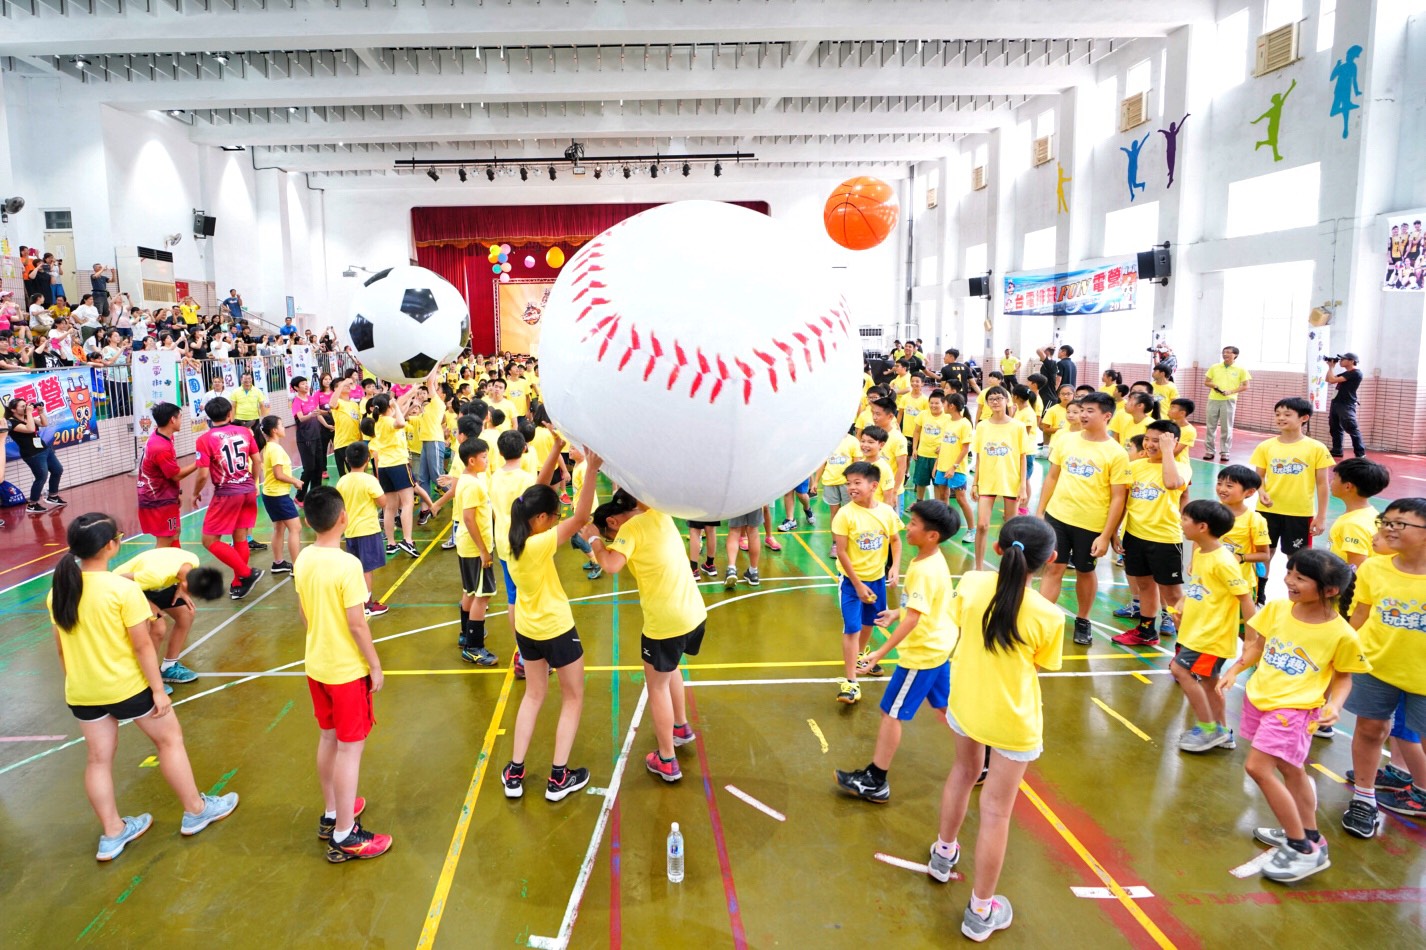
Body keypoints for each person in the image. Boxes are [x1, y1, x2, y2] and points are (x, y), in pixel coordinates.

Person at [49, 513, 239, 862]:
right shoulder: (122, 590)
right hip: (127, 687)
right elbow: (141, 646)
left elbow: (61, 649)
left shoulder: (60, 591)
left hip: (82, 692)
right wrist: (156, 690)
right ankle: (196, 810)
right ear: (111, 545)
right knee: (169, 740)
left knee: (97, 760)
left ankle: (113, 833)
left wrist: (75, 684)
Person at [928, 516, 1062, 941]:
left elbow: (958, 622)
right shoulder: (1048, 615)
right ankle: (980, 910)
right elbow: (1040, 664)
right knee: (997, 812)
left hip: (966, 702)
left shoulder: (969, 583)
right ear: (1050, 561)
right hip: (1013, 721)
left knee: (962, 774)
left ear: (1000, 550)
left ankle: (942, 855)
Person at [1216, 550, 1368, 882]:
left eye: (1300, 577)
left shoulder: (1342, 634)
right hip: (1261, 697)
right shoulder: (1279, 608)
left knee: (1257, 767)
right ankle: (1311, 835)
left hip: (1294, 710)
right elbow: (1258, 644)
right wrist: (1236, 669)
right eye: (1290, 572)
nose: (1289, 580)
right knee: (1290, 768)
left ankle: (1302, 848)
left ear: (1328, 590)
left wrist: (1335, 706)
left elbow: (1344, 677)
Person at [835, 500, 960, 802]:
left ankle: (876, 780)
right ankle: (982, 759)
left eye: (915, 523)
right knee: (946, 708)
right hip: (940, 646)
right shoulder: (930, 560)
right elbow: (919, 608)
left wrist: (880, 653)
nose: (908, 526)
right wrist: (896, 612)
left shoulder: (923, 570)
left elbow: (916, 619)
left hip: (922, 654)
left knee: (890, 713)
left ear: (933, 535)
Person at [294, 487, 392, 862]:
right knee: (351, 748)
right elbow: (357, 624)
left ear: (308, 521)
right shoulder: (348, 565)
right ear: (343, 518)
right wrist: (375, 665)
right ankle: (345, 835)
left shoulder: (303, 557)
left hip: (316, 664)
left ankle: (333, 811)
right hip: (345, 670)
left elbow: (304, 614)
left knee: (328, 738)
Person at [587, 481, 709, 783]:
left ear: (613, 522)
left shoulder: (630, 529)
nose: (612, 540)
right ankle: (680, 727)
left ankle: (667, 759)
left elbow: (612, 565)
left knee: (656, 686)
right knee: (672, 669)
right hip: (693, 614)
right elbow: (642, 488)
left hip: (665, 624)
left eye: (609, 534)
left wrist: (594, 541)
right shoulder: (659, 513)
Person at [499, 471, 600, 803]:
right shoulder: (539, 544)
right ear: (540, 518)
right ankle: (559, 777)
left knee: (533, 696)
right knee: (572, 698)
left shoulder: (509, 539)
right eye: (554, 516)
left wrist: (556, 448)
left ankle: (514, 771)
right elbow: (582, 517)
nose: (558, 520)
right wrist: (593, 469)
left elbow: (537, 494)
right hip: (556, 629)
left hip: (527, 630)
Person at [1342, 497, 1426, 836]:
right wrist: (1340, 653)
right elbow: (1359, 616)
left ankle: (1421, 793)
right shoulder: (1373, 568)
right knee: (1370, 730)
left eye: (1399, 523)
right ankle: (1364, 798)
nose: (1388, 529)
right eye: (1385, 522)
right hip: (1375, 666)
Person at [1035, 392, 1132, 645]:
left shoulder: (1116, 453)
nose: (1084, 415)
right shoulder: (1066, 440)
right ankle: (1043, 618)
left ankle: (1083, 619)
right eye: (1082, 409)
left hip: (1090, 524)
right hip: (1058, 516)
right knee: (1053, 567)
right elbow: (1052, 477)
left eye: (1091, 411)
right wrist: (1040, 512)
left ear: (1107, 416)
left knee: (1085, 571)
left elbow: (1119, 498)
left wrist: (1107, 534)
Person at [1171, 500, 1256, 752]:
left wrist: (1251, 638)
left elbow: (1245, 597)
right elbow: (1198, 584)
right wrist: (1182, 604)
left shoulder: (1224, 561)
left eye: (1185, 519)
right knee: (1209, 682)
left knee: (1180, 670)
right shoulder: (1200, 552)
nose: (1181, 522)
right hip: (1196, 630)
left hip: (1211, 635)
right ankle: (1222, 731)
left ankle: (1208, 728)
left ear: (1203, 527)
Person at [1111, 422, 1190, 647]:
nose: (1149, 444)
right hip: (1135, 536)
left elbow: (1172, 483)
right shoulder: (1136, 466)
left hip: (1165, 539)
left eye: (1157, 440)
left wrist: (1167, 451)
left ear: (1173, 442)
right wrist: (1115, 532)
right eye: (1147, 439)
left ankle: (1184, 645)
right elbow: (1124, 502)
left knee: (1172, 594)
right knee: (1144, 586)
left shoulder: (1181, 466)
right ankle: (1146, 631)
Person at [831, 461, 902, 705]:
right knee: (852, 627)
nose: (851, 487)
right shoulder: (845, 514)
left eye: (856, 482)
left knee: (870, 621)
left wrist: (894, 567)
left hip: (878, 579)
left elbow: (895, 540)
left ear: (873, 486)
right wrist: (858, 584)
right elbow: (841, 552)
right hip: (852, 583)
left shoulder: (886, 512)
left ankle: (861, 655)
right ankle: (850, 683)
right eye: (848, 483)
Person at [1251, 397, 1334, 592]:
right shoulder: (1266, 446)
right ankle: (1259, 593)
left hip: (1299, 513)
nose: (1281, 418)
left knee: (1298, 558)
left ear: (1304, 418)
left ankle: (1299, 593)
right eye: (1278, 414)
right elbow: (1258, 478)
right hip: (1267, 511)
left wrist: (1321, 517)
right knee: (1264, 553)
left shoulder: (1316, 448)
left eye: (1287, 414)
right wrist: (1261, 491)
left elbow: (1322, 484)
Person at [113, 546, 225, 687]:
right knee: (158, 626)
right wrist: (147, 604)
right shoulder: (155, 576)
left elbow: (177, 575)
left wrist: (181, 590)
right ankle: (146, 677)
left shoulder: (192, 561)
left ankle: (169, 667)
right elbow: (116, 579)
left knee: (187, 613)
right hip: (127, 587)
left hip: (155, 585)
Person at [191, 397, 265, 600]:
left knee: (209, 540)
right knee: (239, 537)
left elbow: (203, 474)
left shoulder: (205, 439)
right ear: (230, 413)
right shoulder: (245, 432)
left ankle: (247, 574)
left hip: (227, 493)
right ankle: (238, 582)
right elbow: (257, 460)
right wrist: (255, 482)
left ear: (209, 417)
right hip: (248, 489)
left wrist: (195, 492)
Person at [968, 387, 1030, 567]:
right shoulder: (982, 426)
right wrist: (975, 483)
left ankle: (1007, 566)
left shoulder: (1017, 427)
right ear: (987, 403)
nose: (995, 402)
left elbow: (1022, 457)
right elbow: (979, 456)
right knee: (982, 525)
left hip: (1011, 482)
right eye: (992, 399)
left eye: (999, 398)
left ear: (1007, 400)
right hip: (987, 481)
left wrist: (1023, 487)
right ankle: (978, 567)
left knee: (1010, 529)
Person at [453, 437, 499, 666]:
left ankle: (466, 634)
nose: (487, 460)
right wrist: (483, 550)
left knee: (470, 591)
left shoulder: (469, 478)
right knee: (483, 596)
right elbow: (470, 518)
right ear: (471, 460)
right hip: (474, 548)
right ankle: (474, 647)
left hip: (466, 545)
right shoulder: (472, 484)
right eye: (483, 457)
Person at [334, 441, 389, 617]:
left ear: (347, 460)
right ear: (367, 460)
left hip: (350, 531)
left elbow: (339, 504)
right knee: (366, 569)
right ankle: (367, 603)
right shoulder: (369, 480)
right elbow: (383, 502)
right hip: (368, 530)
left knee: (356, 568)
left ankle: (355, 600)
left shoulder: (342, 481)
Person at [137, 403, 197, 547]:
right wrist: (199, 463)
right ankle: (162, 568)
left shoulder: (164, 436)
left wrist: (175, 494)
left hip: (163, 495)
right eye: (180, 417)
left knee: (175, 531)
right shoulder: (160, 447)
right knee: (165, 539)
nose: (182, 420)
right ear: (172, 420)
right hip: (157, 499)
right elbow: (175, 475)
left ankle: (177, 566)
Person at [256, 415, 303, 574]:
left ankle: (278, 563)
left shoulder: (269, 446)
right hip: (278, 496)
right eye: (281, 425)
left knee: (279, 528)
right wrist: (295, 481)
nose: (284, 428)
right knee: (295, 528)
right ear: (275, 430)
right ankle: (297, 567)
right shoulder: (275, 449)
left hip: (270, 494)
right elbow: (278, 474)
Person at [5, 397, 66, 513]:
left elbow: (44, 423)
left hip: (44, 449)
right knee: (41, 477)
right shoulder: (11, 422)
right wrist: (29, 412)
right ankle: (32, 504)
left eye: (25, 405)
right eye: (22, 406)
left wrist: (41, 412)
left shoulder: (28, 417)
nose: (25, 408)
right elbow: (30, 428)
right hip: (32, 454)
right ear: (13, 410)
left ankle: (53, 496)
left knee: (58, 470)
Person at [1203, 346, 1252, 462]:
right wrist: (1214, 386)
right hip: (1213, 399)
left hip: (1229, 400)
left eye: (1228, 352)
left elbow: (1246, 386)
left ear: (1235, 355)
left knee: (1226, 427)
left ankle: (1225, 451)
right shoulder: (1215, 367)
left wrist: (1231, 391)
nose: (1225, 354)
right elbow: (1207, 382)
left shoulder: (1240, 369)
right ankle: (1209, 451)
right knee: (1210, 426)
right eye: (1224, 352)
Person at [290, 376, 328, 505]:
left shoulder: (312, 399)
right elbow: (300, 418)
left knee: (318, 466)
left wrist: (326, 421)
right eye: (302, 384)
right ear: (296, 387)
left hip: (316, 435)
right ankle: (300, 497)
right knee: (309, 468)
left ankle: (315, 495)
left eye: (306, 383)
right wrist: (310, 415)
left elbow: (317, 415)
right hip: (305, 438)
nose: (306, 385)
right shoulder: (296, 401)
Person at [910, 390, 949, 503]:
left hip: (939, 457)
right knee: (921, 482)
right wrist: (914, 449)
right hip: (923, 454)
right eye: (931, 403)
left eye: (937, 403)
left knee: (938, 483)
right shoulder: (923, 414)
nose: (933, 405)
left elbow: (950, 436)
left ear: (943, 403)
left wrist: (943, 447)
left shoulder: (947, 418)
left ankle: (937, 506)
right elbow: (916, 432)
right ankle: (919, 503)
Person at [1325, 353, 1366, 459]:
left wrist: (1331, 367)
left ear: (1352, 361)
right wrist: (1330, 368)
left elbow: (1333, 380)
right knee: (1335, 427)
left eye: (1343, 359)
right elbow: (1329, 379)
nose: (1341, 361)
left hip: (1346, 404)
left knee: (1351, 427)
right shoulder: (1347, 373)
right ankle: (1337, 450)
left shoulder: (1355, 373)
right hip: (1336, 402)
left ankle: (1360, 453)